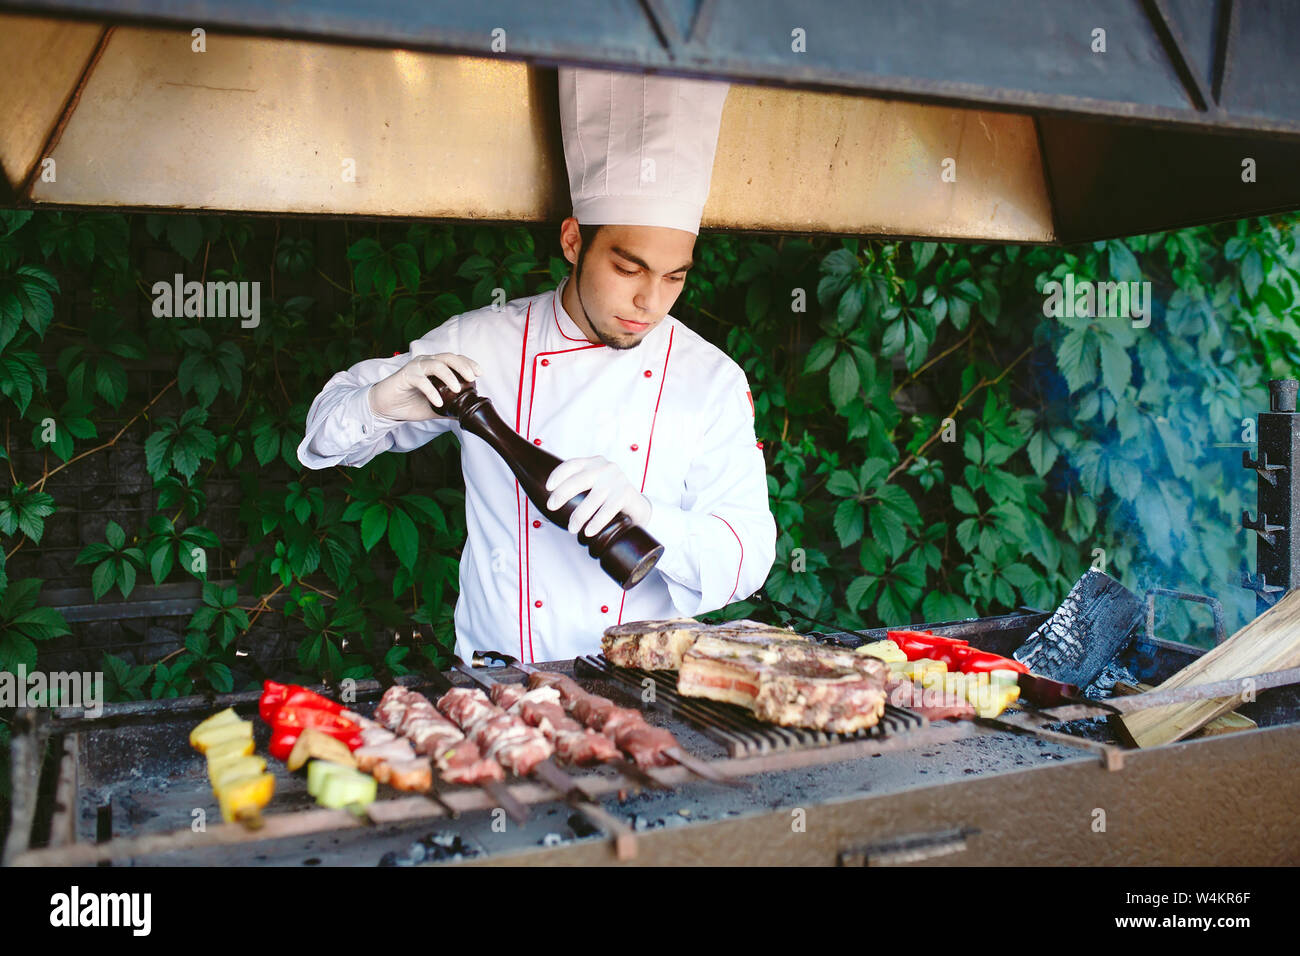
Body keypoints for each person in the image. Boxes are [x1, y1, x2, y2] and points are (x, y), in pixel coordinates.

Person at [298, 67, 776, 662]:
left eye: (674, 277)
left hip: (643, 693)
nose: (648, 302)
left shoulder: (711, 380)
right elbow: (322, 441)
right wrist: (377, 403)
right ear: (574, 242)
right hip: (498, 687)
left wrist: (652, 518)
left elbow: (749, 554)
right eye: (627, 269)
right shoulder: (484, 342)